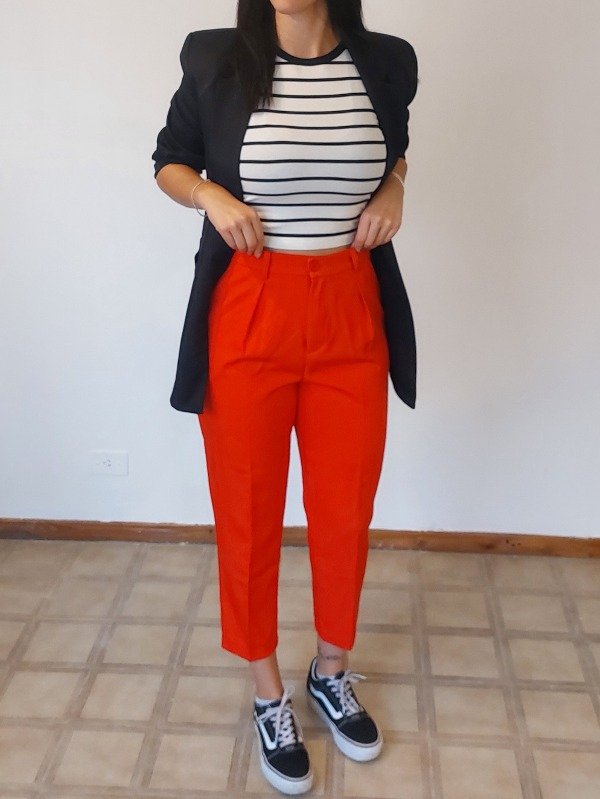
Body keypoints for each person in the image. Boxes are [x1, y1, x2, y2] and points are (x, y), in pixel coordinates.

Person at [152, 1, 418, 794]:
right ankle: (267, 689)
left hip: (349, 302)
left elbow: (395, 148)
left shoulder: (386, 62)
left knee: (346, 501)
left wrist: (394, 186)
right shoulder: (215, 59)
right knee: (248, 502)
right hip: (250, 302)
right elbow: (169, 159)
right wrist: (210, 196)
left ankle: (331, 669)